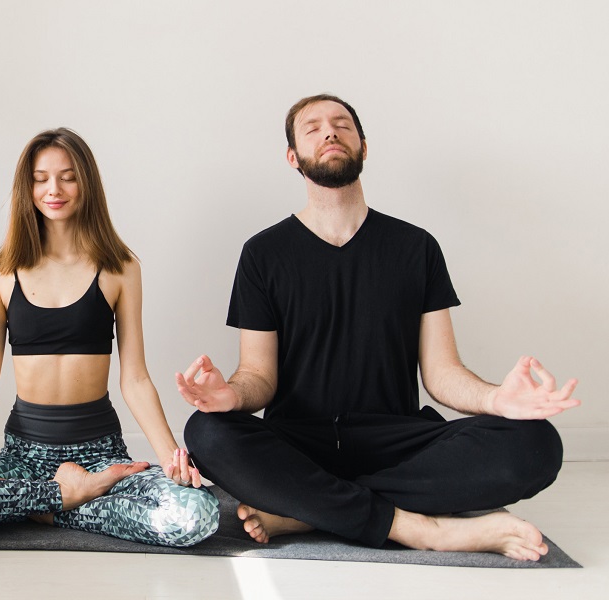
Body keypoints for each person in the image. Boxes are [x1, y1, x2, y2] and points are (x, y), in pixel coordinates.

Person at [176, 94, 580, 561]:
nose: (330, 132)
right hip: (299, 444)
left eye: (342, 124)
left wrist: (496, 400)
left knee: (536, 443)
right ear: (293, 157)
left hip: (399, 442)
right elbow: (258, 378)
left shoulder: (416, 247)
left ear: (364, 147)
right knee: (206, 432)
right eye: (313, 128)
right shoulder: (262, 254)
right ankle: (419, 527)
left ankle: (309, 510)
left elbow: (442, 372)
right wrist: (230, 396)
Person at [0, 127, 219, 547]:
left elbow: (135, 379)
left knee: (195, 515)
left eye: (68, 176)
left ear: (86, 183)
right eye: (40, 178)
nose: (53, 189)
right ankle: (63, 497)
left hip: (100, 457)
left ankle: (42, 506)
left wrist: (170, 459)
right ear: (28, 187)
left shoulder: (120, 268)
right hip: (23, 458)